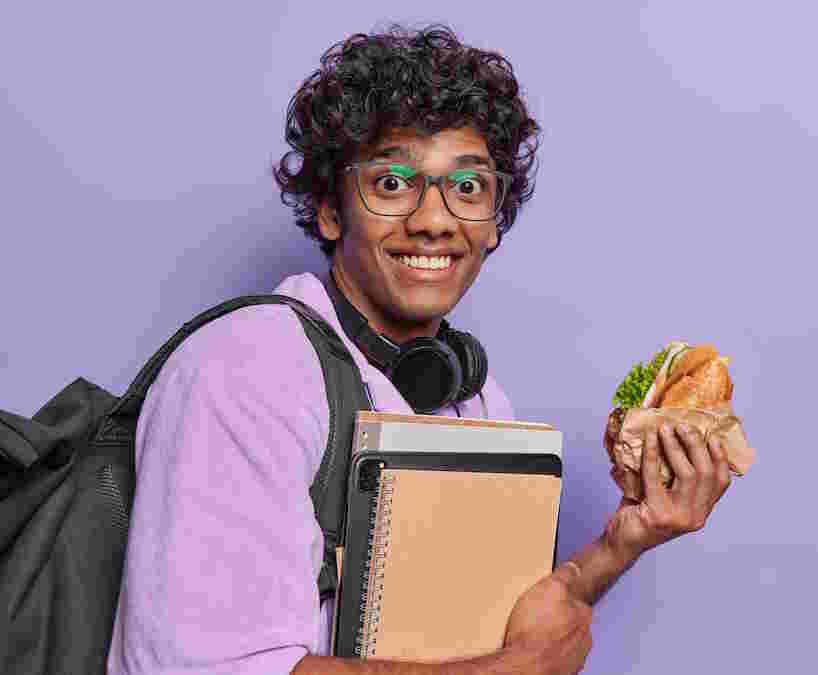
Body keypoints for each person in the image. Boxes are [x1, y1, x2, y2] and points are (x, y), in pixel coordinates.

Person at [107, 24, 733, 675]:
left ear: (494, 222)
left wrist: (623, 539)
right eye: (391, 182)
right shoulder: (246, 370)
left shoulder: (473, 395)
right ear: (328, 209)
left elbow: (505, 629)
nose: (433, 219)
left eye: (467, 188)